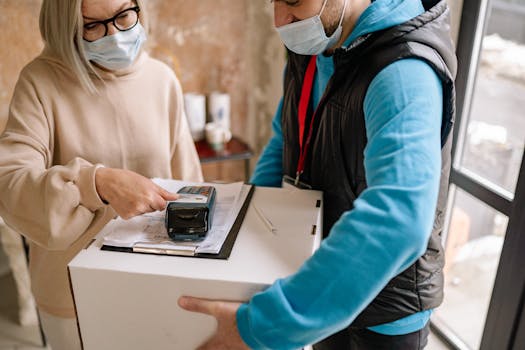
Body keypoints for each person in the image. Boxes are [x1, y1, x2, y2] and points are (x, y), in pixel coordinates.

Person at [178, 0, 456, 349]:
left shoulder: (402, 71)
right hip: (322, 276)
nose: (280, 20)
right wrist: (237, 235)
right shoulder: (315, 45)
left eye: (293, 0)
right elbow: (285, 140)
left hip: (385, 311)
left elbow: (399, 221)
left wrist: (260, 329)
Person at [0, 0, 203, 349]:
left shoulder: (161, 80)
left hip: (158, 282)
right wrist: (95, 184)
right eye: (92, 26)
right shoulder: (40, 82)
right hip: (74, 295)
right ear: (65, 27)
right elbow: (9, 183)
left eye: (124, 16)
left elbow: (191, 186)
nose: (114, 35)